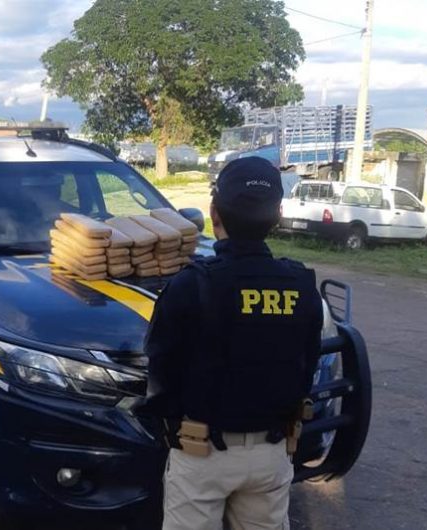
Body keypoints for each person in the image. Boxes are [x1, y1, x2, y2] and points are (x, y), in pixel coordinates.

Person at [143, 157, 324, 530]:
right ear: (277, 215)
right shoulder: (301, 284)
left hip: (200, 453)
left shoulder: (190, 284)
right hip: (272, 453)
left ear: (214, 213)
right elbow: (307, 366)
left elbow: (161, 372)